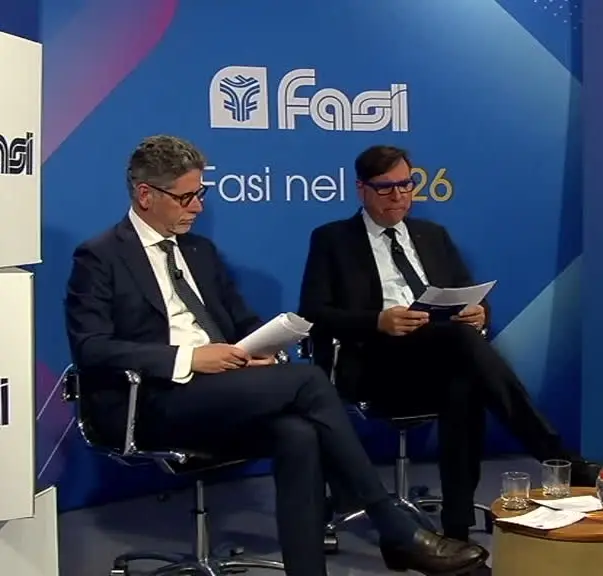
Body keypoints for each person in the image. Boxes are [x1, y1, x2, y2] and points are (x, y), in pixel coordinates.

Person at [64, 135, 488, 576]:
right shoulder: (100, 256)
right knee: (308, 380)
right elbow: (91, 347)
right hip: (152, 399)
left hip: (220, 389)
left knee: (297, 434)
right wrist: (189, 359)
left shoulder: (199, 251)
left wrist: (261, 347)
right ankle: (394, 529)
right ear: (145, 194)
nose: (198, 207)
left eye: (201, 194)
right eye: (186, 197)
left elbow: (241, 321)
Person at [298, 144, 601, 544]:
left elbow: (466, 292)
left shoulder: (432, 235)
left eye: (406, 185)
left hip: (438, 356)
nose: (398, 196)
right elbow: (313, 313)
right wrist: (377, 321)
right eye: (385, 187)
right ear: (362, 189)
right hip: (373, 362)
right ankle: (557, 456)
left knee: (465, 380)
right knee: (462, 350)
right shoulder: (333, 239)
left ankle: (457, 529)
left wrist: (479, 314)